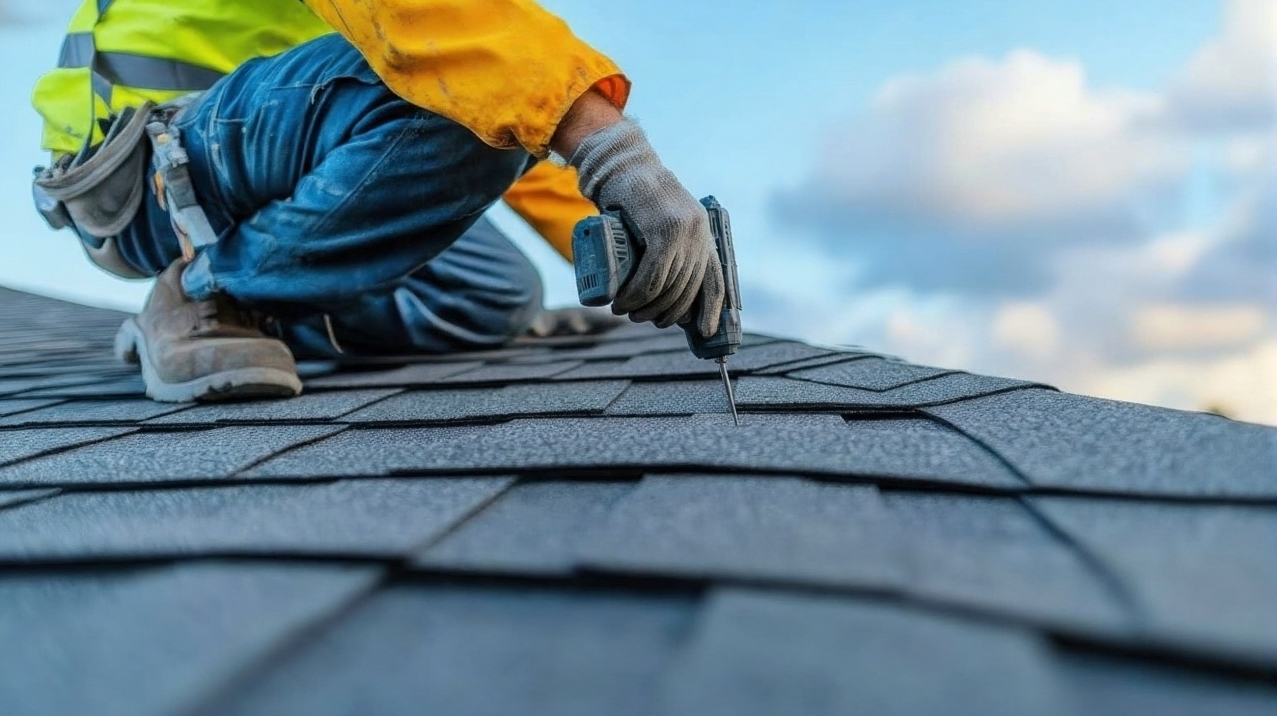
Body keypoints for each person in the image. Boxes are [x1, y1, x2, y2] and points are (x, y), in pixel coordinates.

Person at [30, 0, 725, 402]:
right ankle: (201, 290)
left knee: (498, 295)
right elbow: (451, 53)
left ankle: (259, 307)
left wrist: (640, 248)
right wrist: (618, 159)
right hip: (149, 169)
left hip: (251, 160)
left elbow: (484, 94)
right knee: (462, 110)